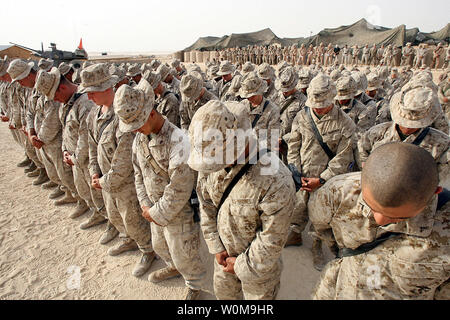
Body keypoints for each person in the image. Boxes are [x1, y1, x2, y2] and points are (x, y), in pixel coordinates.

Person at [311, 142, 449, 300]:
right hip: (336, 287)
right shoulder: (338, 192)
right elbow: (321, 226)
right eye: (371, 207)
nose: (380, 220)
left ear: (435, 192)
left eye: (399, 217)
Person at [189, 100, 296, 300]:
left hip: (258, 272)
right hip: (223, 262)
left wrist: (239, 265)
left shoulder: (275, 179)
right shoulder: (212, 160)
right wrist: (216, 246)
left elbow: (271, 238)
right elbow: (207, 204)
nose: (214, 165)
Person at [114, 79, 206, 300]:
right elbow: (139, 173)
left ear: (152, 114)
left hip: (177, 211)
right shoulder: (140, 138)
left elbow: (179, 188)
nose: (135, 129)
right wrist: (146, 204)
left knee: (184, 253)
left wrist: (155, 213)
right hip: (153, 208)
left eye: (138, 123)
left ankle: (194, 285)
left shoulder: (179, 140)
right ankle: (174, 267)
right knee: (161, 246)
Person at [81, 63, 154, 277]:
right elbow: (92, 145)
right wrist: (94, 171)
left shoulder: (124, 114)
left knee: (132, 218)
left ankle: (147, 250)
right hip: (105, 180)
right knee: (115, 216)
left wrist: (102, 181)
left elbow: (123, 164)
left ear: (106, 89)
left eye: (92, 92)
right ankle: (128, 239)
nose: (89, 97)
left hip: (125, 183)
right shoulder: (94, 113)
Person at [286, 73, 356, 271]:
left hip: (326, 180)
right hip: (302, 176)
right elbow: (294, 144)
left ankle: (316, 245)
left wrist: (322, 179)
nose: (318, 107)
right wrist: (294, 169)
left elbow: (343, 158)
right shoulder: (302, 116)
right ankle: (295, 233)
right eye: (315, 103)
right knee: (298, 208)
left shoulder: (345, 123)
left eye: (323, 103)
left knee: (320, 217)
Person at [34, 66, 109, 232]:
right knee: (83, 189)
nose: (56, 100)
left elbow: (85, 138)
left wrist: (74, 157)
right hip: (74, 159)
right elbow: (64, 130)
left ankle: (109, 222)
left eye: (55, 96)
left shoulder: (86, 103)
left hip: (87, 159)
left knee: (97, 194)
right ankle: (96, 213)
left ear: (62, 87)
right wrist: (65, 150)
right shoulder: (66, 102)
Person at [358, 85, 449, 183]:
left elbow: (442, 177)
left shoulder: (442, 145)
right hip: (375, 186)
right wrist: (365, 165)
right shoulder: (376, 133)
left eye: (414, 124)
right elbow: (362, 151)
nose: (407, 127)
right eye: (404, 122)